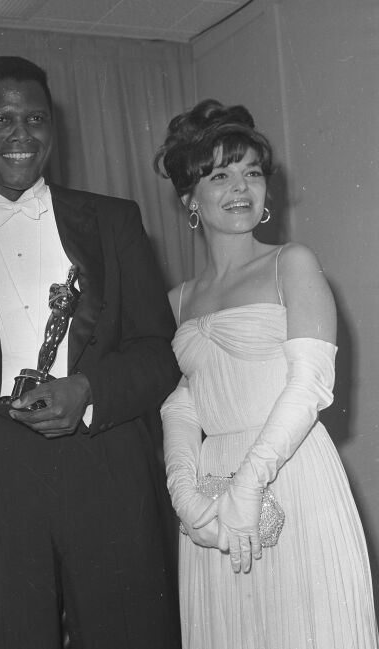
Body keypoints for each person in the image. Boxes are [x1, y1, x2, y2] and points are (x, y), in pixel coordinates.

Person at [0, 56, 181, 648]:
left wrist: (87, 391)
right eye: (2, 120)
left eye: (35, 118)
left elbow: (159, 351)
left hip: (105, 458)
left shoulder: (113, 220)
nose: (21, 134)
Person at [155, 99, 379, 648]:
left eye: (252, 172)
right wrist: (185, 494)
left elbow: (310, 384)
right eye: (220, 174)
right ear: (189, 198)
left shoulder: (290, 263)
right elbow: (181, 404)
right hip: (212, 489)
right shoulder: (176, 300)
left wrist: (250, 484)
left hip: (288, 471)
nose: (240, 187)